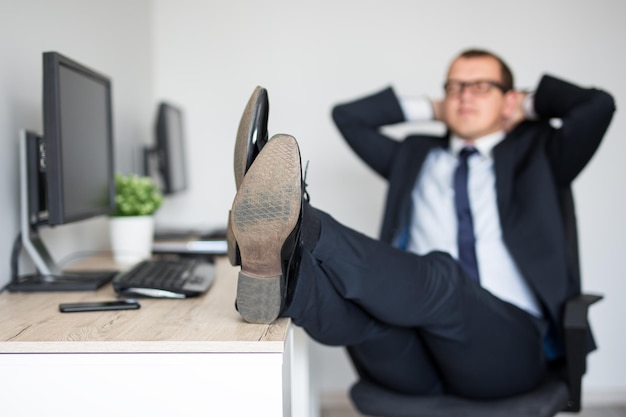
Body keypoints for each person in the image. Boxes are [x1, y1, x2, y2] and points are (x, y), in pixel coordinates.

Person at [228, 48, 615, 400]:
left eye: (481, 86)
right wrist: (434, 107)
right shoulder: (413, 156)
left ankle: (295, 221)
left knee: (446, 282)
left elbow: (598, 106)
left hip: (509, 347)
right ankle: (284, 280)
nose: (464, 95)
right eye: (455, 87)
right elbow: (348, 118)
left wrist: (526, 107)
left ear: (509, 98)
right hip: (414, 346)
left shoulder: (542, 155)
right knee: (362, 318)